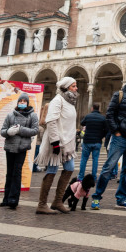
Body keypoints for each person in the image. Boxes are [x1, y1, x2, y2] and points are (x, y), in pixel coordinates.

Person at [91, 73, 126, 210]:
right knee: (108, 167)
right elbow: (109, 114)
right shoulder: (119, 95)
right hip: (120, 137)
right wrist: (116, 131)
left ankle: (121, 199)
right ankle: (97, 197)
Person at [34, 77, 79, 214]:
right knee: (52, 170)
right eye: (73, 86)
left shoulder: (70, 102)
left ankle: (57, 201)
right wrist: (55, 142)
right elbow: (51, 121)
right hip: (57, 142)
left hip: (68, 144)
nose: (76, 88)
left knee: (70, 168)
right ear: (66, 88)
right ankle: (42, 204)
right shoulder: (57, 100)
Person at [0, 93, 39, 209]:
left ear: (27, 103)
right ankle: (6, 198)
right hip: (10, 146)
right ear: (17, 103)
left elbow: (35, 130)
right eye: (20, 101)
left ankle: (13, 199)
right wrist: (8, 132)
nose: (22, 103)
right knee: (9, 173)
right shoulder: (10, 115)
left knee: (17, 172)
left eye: (24, 101)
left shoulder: (32, 116)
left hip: (21, 148)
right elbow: (2, 131)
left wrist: (20, 130)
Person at [79, 102, 106, 180]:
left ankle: (81, 177)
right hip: (97, 141)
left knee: (84, 159)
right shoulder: (102, 118)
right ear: (99, 109)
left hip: (87, 140)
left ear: (92, 108)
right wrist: (101, 136)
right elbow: (107, 129)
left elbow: (82, 123)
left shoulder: (88, 116)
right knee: (95, 160)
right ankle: (94, 177)